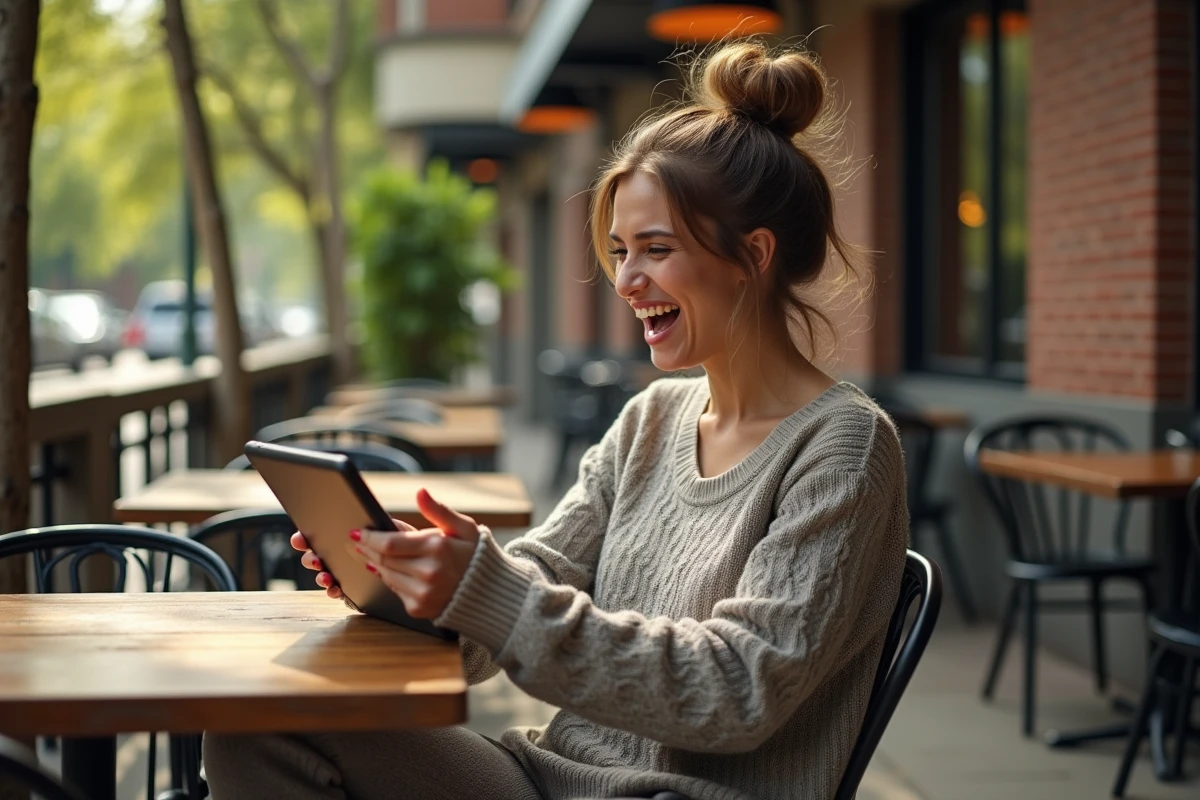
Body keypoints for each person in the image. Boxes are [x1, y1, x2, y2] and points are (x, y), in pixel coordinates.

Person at [203, 39, 908, 800]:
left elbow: (739, 690)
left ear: (754, 255)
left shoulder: (843, 448)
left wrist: (496, 595)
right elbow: (538, 577)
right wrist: (420, 592)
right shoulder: (652, 419)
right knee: (256, 716)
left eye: (656, 249)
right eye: (619, 252)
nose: (629, 281)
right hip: (550, 775)